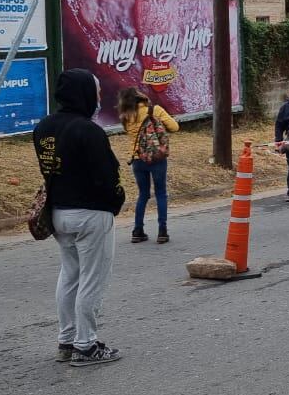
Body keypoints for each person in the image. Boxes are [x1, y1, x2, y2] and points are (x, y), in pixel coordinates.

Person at [34, 69, 126, 366]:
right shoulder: (89, 130)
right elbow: (107, 175)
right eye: (96, 93)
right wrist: (116, 200)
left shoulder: (44, 128)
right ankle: (86, 345)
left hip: (59, 213)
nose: (99, 100)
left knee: (69, 276)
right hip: (91, 215)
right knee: (91, 280)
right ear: (84, 93)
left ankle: (67, 339)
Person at [117, 87, 180, 245]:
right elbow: (174, 127)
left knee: (143, 195)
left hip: (138, 160)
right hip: (157, 158)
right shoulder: (155, 110)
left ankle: (137, 230)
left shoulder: (125, 116)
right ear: (139, 96)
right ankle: (162, 232)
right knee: (161, 193)